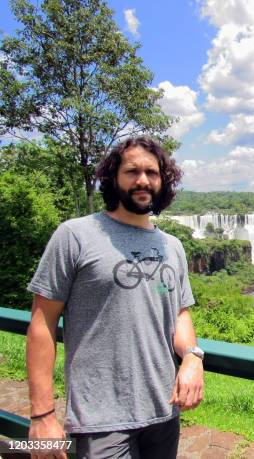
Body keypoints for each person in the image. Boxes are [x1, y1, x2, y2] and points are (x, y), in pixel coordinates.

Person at [26, 136, 204, 459]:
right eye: (131, 171)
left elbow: (180, 314)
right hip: (99, 421)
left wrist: (192, 357)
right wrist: (42, 415)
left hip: (164, 411)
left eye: (152, 172)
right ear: (113, 178)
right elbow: (43, 322)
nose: (142, 180)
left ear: (163, 181)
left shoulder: (172, 247)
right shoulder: (75, 235)